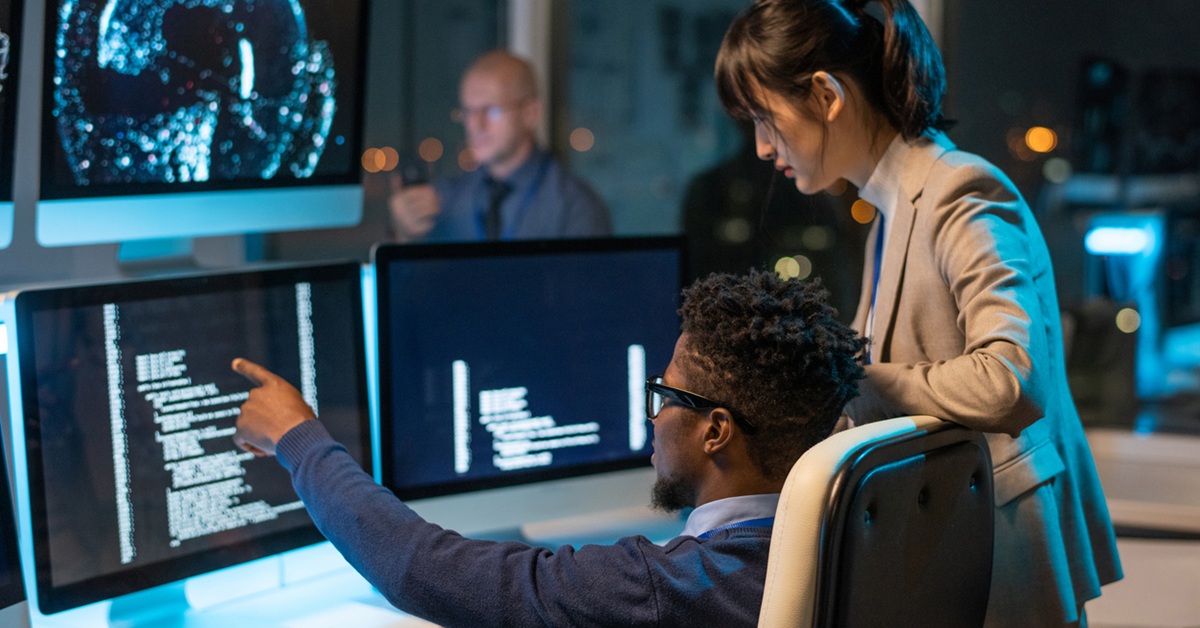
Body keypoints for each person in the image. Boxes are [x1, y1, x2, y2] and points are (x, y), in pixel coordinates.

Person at [713, 1, 1122, 626]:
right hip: (962, 531)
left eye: (767, 121)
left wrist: (862, 380)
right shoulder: (890, 207)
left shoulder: (958, 188)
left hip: (1003, 540)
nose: (765, 149)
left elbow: (1012, 379)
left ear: (826, 94)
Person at [230, 270, 864, 626]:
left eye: (664, 395)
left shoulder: (673, 586)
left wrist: (298, 439)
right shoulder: (849, 536)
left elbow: (415, 570)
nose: (652, 415)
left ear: (715, 430)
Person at [388, 50, 611, 242]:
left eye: (492, 110)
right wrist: (405, 231)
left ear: (531, 113)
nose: (476, 125)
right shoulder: (446, 199)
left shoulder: (575, 207)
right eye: (468, 111)